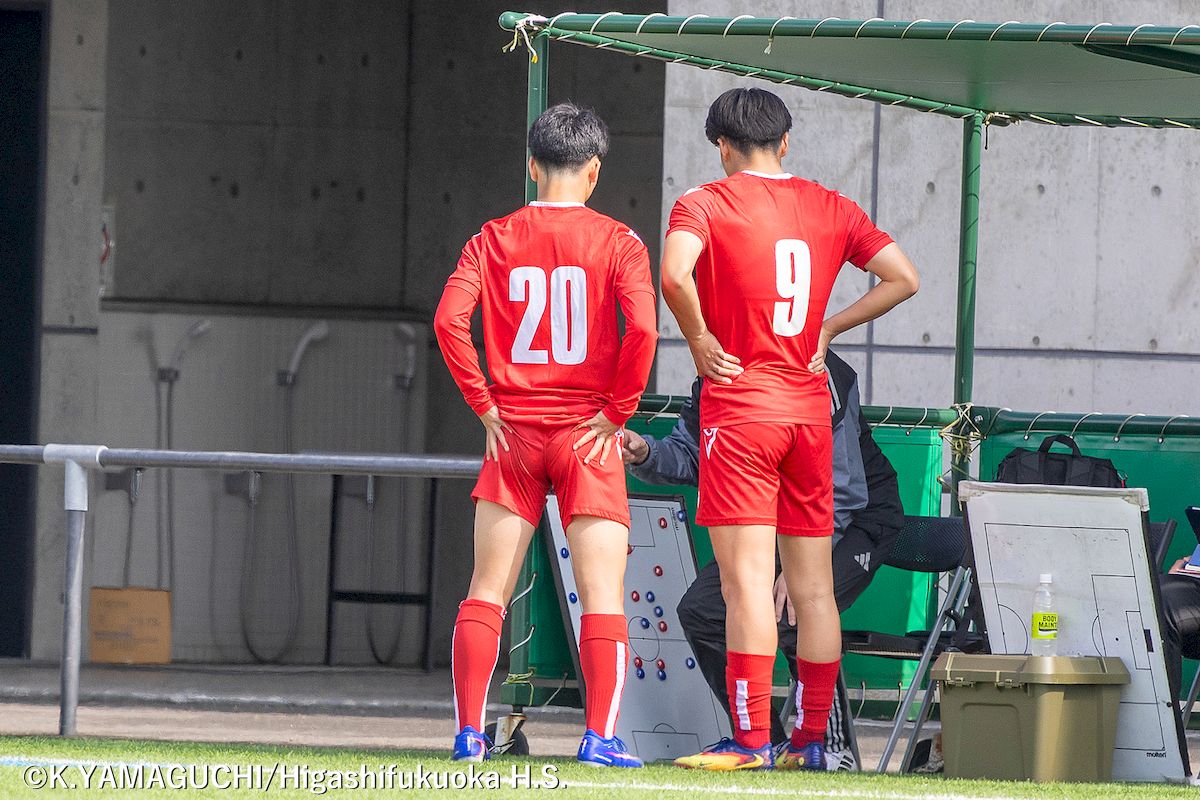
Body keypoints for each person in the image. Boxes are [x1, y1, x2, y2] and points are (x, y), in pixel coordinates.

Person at [660, 87, 919, 771]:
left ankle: (751, 742)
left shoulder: (704, 203)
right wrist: (829, 327)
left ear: (722, 147)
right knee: (814, 591)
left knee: (745, 587)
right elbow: (903, 277)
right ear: (785, 141)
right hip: (808, 413)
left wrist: (699, 339)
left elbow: (674, 275)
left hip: (742, 412)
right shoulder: (832, 205)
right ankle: (809, 742)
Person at [433, 103, 658, 767]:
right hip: (588, 434)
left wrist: (483, 404)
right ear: (594, 171)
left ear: (532, 165)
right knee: (602, 596)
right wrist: (617, 411)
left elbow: (449, 322)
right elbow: (644, 329)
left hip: (514, 432)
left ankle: (469, 735)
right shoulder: (619, 241)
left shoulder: (492, 237)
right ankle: (599, 738)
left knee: (487, 589)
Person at [622, 348, 905, 770]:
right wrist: (645, 452)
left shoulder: (819, 366)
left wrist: (802, 567)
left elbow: (845, 487)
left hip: (855, 517)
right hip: (771, 520)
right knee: (702, 610)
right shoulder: (716, 365)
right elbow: (693, 454)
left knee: (794, 608)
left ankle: (829, 746)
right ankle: (762, 742)